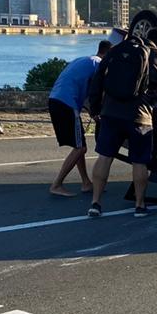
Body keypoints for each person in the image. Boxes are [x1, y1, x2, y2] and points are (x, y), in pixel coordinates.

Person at [86, 27, 157, 218]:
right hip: (140, 117)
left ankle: (95, 203)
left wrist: (95, 109)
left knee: (105, 156)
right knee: (139, 161)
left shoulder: (116, 51)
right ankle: (139, 205)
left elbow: (97, 81)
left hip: (111, 113)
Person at [47, 39, 112, 196]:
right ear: (108, 54)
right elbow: (97, 93)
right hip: (67, 103)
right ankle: (56, 184)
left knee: (79, 145)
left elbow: (87, 94)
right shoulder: (98, 64)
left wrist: (93, 113)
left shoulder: (83, 60)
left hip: (56, 100)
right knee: (81, 147)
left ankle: (86, 183)